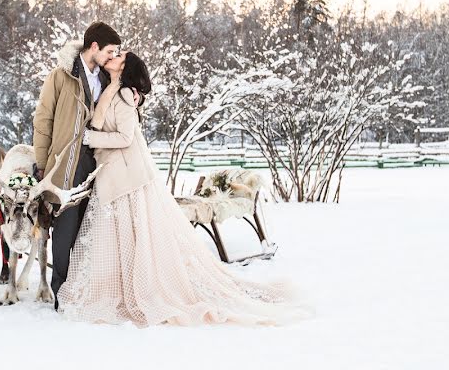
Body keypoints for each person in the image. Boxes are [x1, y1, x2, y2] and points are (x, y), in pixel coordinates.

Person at [57, 50, 307, 327]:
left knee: (128, 237)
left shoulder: (126, 94)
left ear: (125, 68)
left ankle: (134, 291)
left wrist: (92, 138)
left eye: (120, 57)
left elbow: (126, 137)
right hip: (114, 175)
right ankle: (116, 287)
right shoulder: (113, 88)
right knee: (117, 240)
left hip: (126, 176)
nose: (113, 57)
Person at [33, 21, 120, 309]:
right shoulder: (60, 77)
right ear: (93, 46)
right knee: (66, 230)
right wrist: (42, 164)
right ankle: (61, 292)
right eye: (109, 51)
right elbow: (43, 121)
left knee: (92, 230)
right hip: (66, 164)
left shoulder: (108, 80)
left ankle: (87, 290)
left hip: (99, 164)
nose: (111, 57)